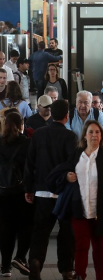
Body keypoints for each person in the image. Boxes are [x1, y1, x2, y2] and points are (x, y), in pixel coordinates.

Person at [24, 100, 77, 280]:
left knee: (41, 230)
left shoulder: (38, 134)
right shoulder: (70, 137)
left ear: (51, 114)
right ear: (67, 116)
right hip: (63, 192)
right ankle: (67, 269)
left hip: (41, 191)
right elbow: (73, 164)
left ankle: (36, 261)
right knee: (66, 232)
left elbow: (30, 163)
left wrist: (28, 188)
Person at [0, 112, 34, 277]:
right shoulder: (28, 144)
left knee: (6, 230)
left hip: (2, 194)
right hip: (23, 193)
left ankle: (5, 266)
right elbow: (33, 168)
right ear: (22, 125)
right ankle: (20, 257)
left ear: (4, 125)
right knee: (25, 227)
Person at [64, 120, 103, 280]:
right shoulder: (77, 154)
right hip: (79, 209)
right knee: (81, 246)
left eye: (97, 132)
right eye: (91, 132)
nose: (94, 135)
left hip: (99, 211)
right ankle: (80, 275)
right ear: (85, 136)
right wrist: (67, 175)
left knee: (100, 249)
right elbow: (65, 169)